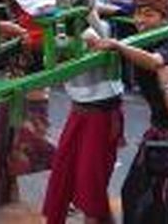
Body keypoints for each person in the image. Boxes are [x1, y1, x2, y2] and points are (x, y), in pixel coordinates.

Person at [86, 0, 168, 224]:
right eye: (138, 15)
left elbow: (155, 62)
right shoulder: (144, 37)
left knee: (167, 203)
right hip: (158, 130)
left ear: (164, 17)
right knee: (132, 193)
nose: (140, 20)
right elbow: (111, 10)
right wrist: (87, 10)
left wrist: (117, 46)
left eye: (149, 15)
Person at [42, 13, 124, 224]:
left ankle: (96, 218)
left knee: (91, 180)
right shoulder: (55, 37)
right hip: (79, 111)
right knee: (63, 171)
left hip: (102, 114)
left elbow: (94, 21)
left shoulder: (98, 31)